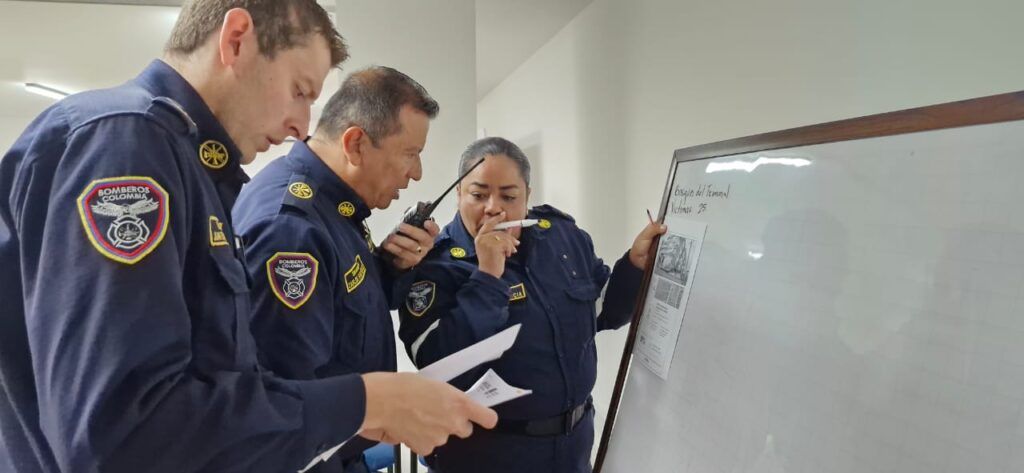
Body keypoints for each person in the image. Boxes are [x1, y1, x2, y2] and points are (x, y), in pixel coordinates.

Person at [0, 2, 495, 472]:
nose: (302, 125)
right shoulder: (125, 147)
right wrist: (370, 402)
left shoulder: (192, 167)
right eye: (301, 90)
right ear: (237, 40)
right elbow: (124, 433)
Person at [397, 137, 666, 472]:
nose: (493, 207)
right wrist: (488, 276)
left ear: (527, 196)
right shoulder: (433, 264)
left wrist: (634, 266)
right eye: (478, 195)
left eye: (509, 196)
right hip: (490, 454)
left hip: (573, 443)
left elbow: (602, 310)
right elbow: (438, 364)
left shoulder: (560, 235)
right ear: (458, 195)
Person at [232, 66, 442, 472]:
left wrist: (390, 268)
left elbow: (341, 313)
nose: (415, 174)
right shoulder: (291, 230)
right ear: (356, 143)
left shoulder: (334, 209)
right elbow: (285, 411)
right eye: (410, 155)